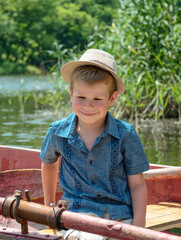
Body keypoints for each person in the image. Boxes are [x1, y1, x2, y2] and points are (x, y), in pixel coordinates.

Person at [40, 49, 150, 239]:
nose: (88, 106)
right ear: (71, 94)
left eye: (97, 99)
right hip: (76, 214)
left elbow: (137, 185)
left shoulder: (125, 135)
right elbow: (48, 164)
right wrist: (49, 209)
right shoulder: (58, 132)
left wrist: (139, 227)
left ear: (112, 99)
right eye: (81, 97)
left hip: (119, 215)